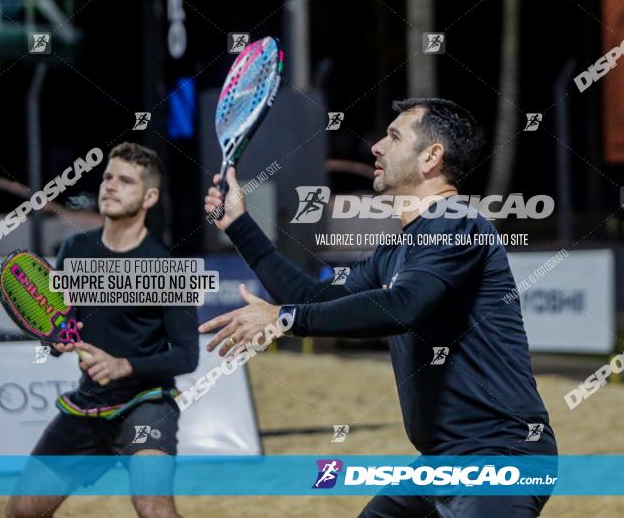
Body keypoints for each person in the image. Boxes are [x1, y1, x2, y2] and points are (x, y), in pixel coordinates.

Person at [202, 98, 557, 517]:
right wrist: (240, 226)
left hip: (502, 455)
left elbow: (402, 306)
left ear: (431, 157)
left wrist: (284, 318)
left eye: (393, 136)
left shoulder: (458, 222)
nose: (376, 147)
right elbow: (315, 299)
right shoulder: (397, 250)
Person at [7, 142, 199, 518]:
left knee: (153, 508)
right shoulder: (73, 250)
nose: (110, 186)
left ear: (149, 197)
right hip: (87, 404)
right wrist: (55, 341)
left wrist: (123, 365)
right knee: (21, 511)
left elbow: (187, 355)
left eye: (125, 181)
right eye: (108, 176)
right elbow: (61, 324)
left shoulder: (167, 268)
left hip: (145, 404)